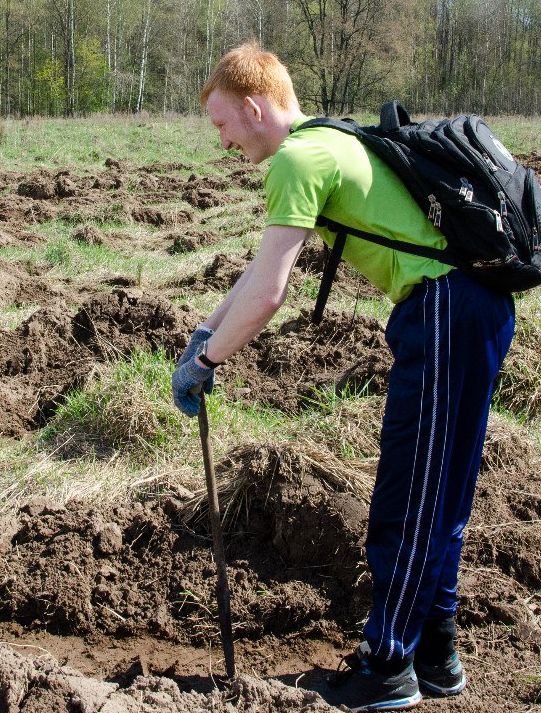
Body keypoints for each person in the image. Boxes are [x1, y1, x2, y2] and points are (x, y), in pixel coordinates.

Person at [170, 43, 515, 711]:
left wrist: (207, 363)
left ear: (252, 107)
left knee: (410, 494)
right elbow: (258, 273)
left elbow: (270, 293)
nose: (222, 142)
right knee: (442, 490)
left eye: (221, 125)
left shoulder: (298, 158)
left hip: (442, 308)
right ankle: (435, 653)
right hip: (472, 305)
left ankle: (387, 666)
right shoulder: (325, 139)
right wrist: (207, 333)